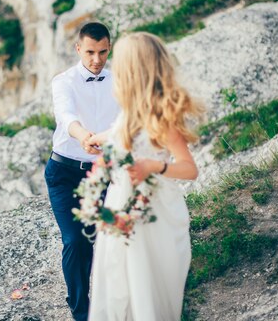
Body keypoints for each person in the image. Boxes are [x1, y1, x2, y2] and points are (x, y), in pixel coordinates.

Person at [87, 31, 204, 320]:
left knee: (142, 283)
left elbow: (189, 169)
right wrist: (97, 138)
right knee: (117, 276)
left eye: (119, 66)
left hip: (151, 209)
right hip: (119, 204)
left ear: (132, 72)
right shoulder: (129, 114)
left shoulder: (162, 118)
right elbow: (120, 134)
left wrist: (155, 167)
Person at [45, 22, 120, 321]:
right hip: (64, 171)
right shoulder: (63, 82)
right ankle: (80, 310)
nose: (96, 59)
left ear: (109, 48)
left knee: (108, 239)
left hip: (102, 173)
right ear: (78, 49)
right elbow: (66, 116)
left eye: (102, 52)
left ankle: (110, 301)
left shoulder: (117, 81)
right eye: (90, 52)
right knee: (76, 241)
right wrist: (84, 136)